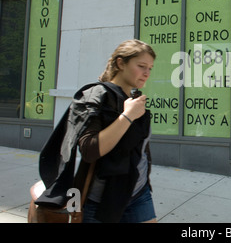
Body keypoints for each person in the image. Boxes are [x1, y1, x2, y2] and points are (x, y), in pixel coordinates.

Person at [36, 39, 157, 223]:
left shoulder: (133, 98)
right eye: (141, 66)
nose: (147, 73)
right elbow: (90, 150)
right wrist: (127, 116)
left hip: (138, 193)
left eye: (150, 68)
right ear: (120, 63)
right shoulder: (94, 96)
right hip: (100, 201)